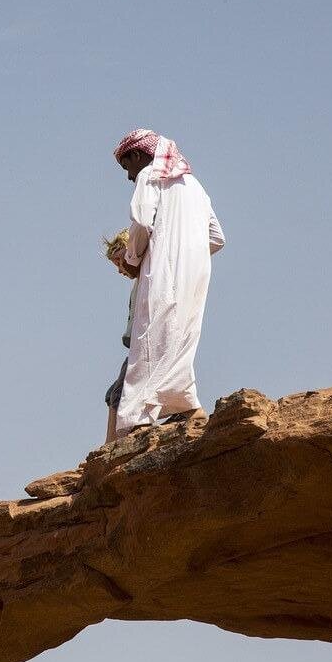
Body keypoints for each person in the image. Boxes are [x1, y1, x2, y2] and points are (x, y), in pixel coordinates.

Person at [105, 129, 225, 440]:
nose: (129, 176)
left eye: (127, 166)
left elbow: (142, 222)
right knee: (179, 338)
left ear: (137, 155)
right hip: (196, 276)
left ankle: (137, 421)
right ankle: (188, 408)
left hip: (163, 273)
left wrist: (132, 258)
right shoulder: (196, 187)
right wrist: (188, 252)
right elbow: (216, 238)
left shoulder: (150, 176)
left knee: (150, 340)